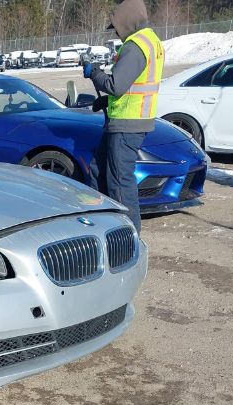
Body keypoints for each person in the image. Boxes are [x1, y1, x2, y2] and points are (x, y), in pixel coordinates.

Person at [84, 0, 164, 232]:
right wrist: (105, 100)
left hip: (127, 124)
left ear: (127, 21)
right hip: (126, 120)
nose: (117, 34)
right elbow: (131, 86)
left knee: (120, 182)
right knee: (98, 169)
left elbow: (116, 84)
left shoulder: (136, 45)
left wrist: (95, 73)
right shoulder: (150, 41)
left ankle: (130, 236)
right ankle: (101, 223)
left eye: (117, 28)